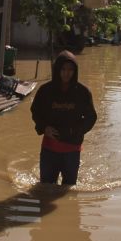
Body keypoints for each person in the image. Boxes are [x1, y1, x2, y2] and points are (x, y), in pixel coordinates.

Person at [30, 51, 97, 185]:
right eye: (63, 69)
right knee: (46, 188)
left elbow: (91, 117)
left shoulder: (83, 92)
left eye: (70, 70)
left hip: (72, 150)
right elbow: (35, 111)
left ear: (75, 71)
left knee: (69, 191)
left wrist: (76, 131)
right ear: (57, 70)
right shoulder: (45, 90)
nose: (67, 73)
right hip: (49, 149)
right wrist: (44, 128)